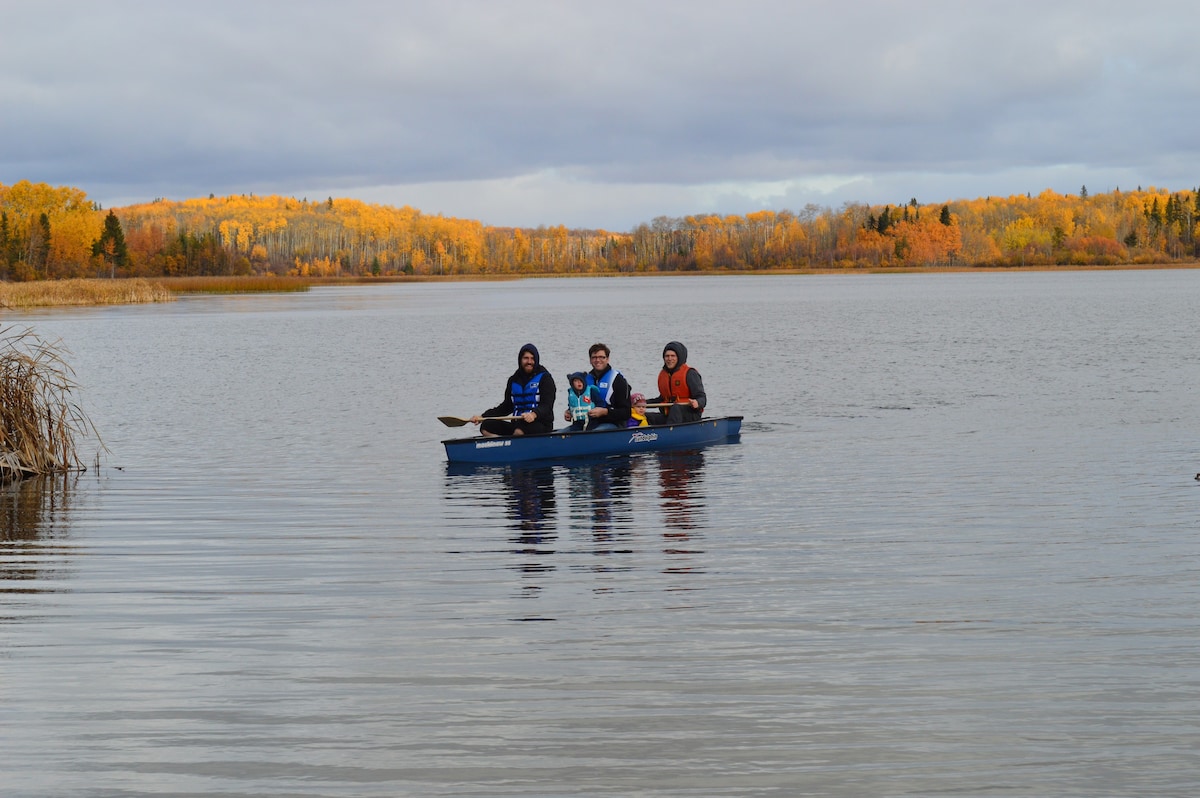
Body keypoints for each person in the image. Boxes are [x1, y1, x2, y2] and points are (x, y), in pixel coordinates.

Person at [471, 343, 556, 436]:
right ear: (520, 360)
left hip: (541, 425)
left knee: (520, 430)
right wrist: (482, 417)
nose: (529, 361)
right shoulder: (513, 380)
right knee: (486, 426)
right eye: (526, 358)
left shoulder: (545, 378)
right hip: (517, 424)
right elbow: (506, 407)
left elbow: (547, 406)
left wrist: (533, 414)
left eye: (532, 358)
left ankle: (512, 445)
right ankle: (501, 446)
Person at [563, 342, 631, 430]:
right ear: (590, 360)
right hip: (587, 423)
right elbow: (577, 402)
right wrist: (570, 412)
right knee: (562, 433)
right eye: (594, 357)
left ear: (608, 359)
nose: (597, 360)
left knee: (593, 433)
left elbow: (626, 413)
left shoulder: (618, 380)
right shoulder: (584, 380)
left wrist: (605, 412)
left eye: (601, 357)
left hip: (612, 424)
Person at [648, 340, 706, 424]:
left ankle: (671, 434)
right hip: (670, 415)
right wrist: (640, 403)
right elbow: (661, 399)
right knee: (645, 416)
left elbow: (702, 397)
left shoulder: (690, 374)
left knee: (676, 408)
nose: (669, 359)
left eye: (673, 356)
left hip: (689, 415)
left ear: (679, 357)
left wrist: (697, 402)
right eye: (667, 356)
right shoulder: (663, 375)